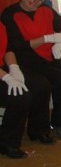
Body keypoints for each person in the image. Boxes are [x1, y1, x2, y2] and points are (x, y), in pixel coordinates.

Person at [2, 0, 61, 141]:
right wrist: (46, 38)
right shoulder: (10, 14)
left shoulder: (46, 10)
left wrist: (60, 40)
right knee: (59, 79)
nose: (38, 3)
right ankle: (59, 123)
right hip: (26, 61)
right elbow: (16, 46)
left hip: (48, 57)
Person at [0, 21, 35, 158]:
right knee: (19, 97)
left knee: (24, 94)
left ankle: (8, 142)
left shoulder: (2, 25)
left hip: (2, 69)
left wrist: (14, 67)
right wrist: (7, 77)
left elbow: (8, 49)